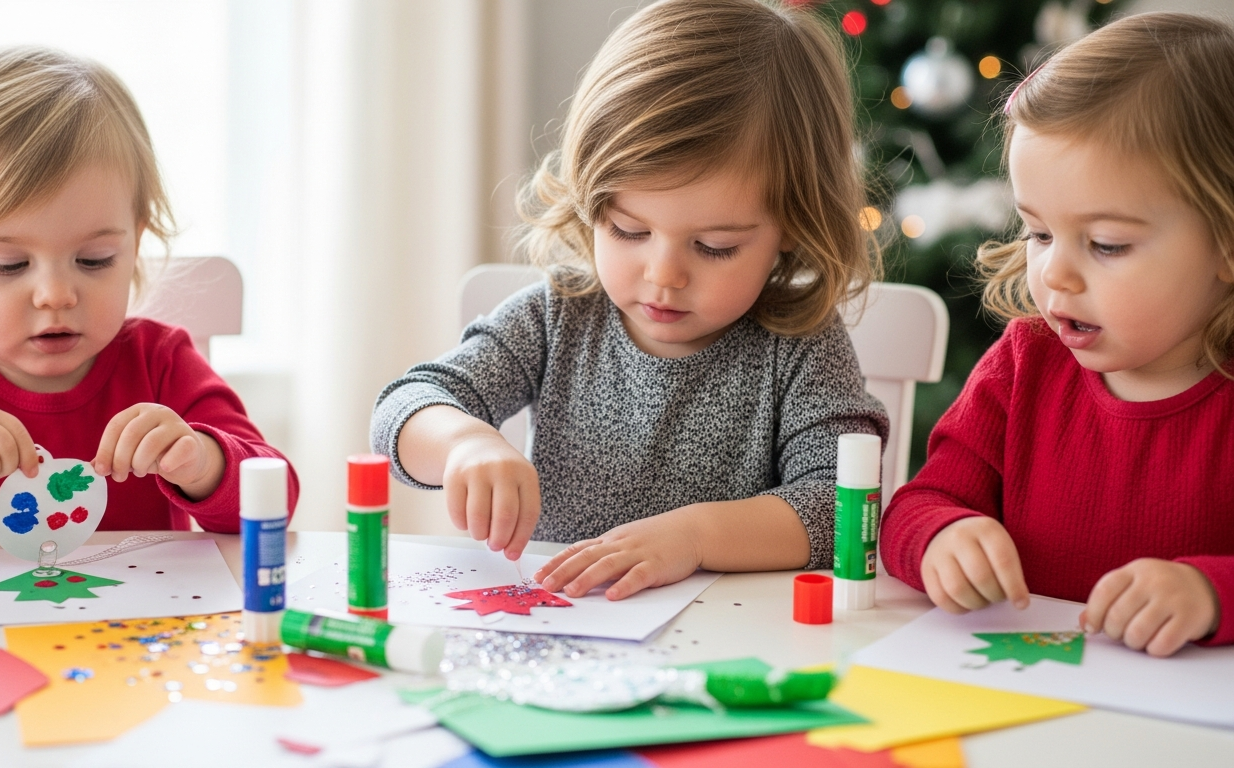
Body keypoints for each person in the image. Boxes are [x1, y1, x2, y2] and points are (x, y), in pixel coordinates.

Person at [370, 0, 887, 600]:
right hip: (568, 631)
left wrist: (694, 538)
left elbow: (839, 501)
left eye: (714, 246)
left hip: (731, 643)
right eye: (628, 230)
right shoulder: (558, 315)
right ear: (590, 201)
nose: (663, 275)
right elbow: (402, 407)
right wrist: (464, 442)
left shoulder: (800, 346)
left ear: (791, 226)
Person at [0, 47, 297, 550]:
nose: (56, 295)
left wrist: (203, 461)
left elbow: (277, 495)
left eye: (94, 259)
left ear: (135, 243)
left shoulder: (160, 363)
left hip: (137, 626)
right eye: (9, 265)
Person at [881, 13, 1234, 656]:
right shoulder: (1024, 365)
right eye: (1038, 234)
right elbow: (919, 504)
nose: (1055, 274)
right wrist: (941, 536)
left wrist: (1209, 592)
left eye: (1106, 243)